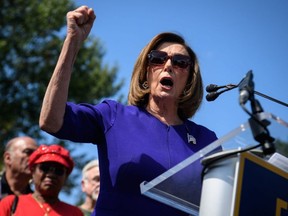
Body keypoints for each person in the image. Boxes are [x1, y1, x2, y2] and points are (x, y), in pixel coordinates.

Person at [39, 5, 219, 216]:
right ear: (145, 73)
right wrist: (72, 43)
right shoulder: (114, 116)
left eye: (180, 62)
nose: (168, 65)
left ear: (190, 80)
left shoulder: (206, 140)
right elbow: (51, 121)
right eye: (158, 59)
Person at [0, 144, 84, 216]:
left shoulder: (74, 213)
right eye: (45, 168)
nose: (51, 174)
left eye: (59, 170)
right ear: (32, 171)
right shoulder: (11, 204)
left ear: (66, 176)